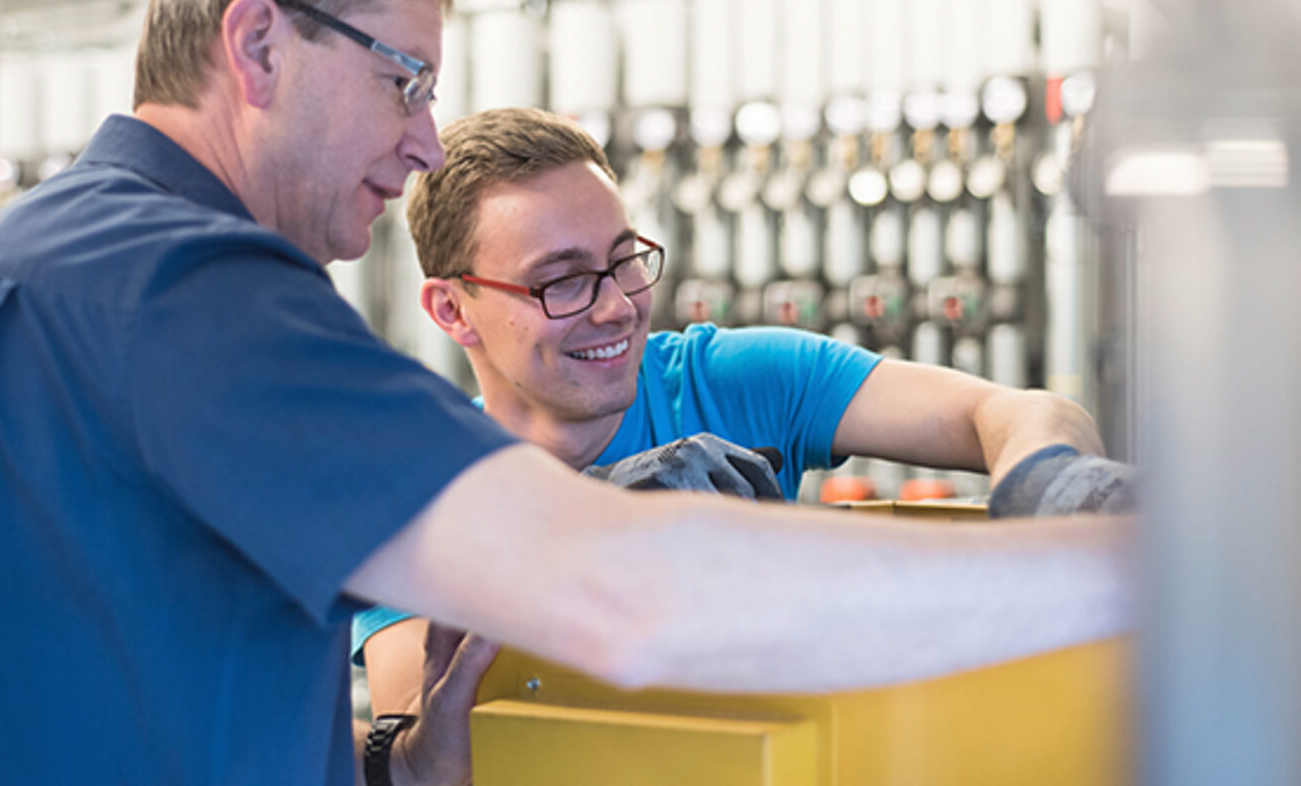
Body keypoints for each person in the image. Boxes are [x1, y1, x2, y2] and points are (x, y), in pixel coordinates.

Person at [0, 0, 1132, 786]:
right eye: (400, 78)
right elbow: (620, 594)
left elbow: (98, 675)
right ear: (257, 45)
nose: (419, 137)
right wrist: (1153, 572)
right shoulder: (186, 285)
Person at [358, 105, 1130, 716]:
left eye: (625, 260)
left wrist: (1047, 478)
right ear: (453, 310)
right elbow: (419, 739)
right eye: (561, 281)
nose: (617, 307)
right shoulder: (421, 494)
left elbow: (1010, 411)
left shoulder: (733, 380)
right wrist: (603, 523)